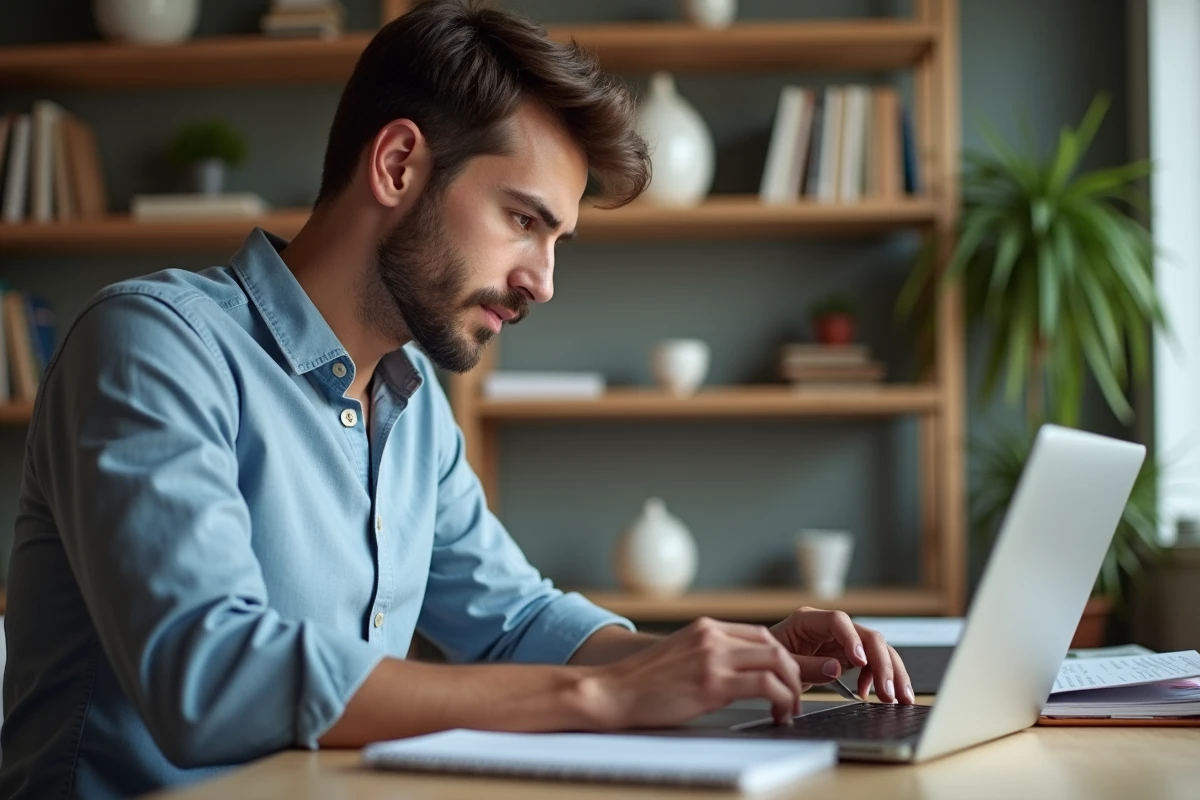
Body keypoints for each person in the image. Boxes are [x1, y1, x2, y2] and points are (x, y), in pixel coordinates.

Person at [0, 1, 912, 797]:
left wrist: (731, 659)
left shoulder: (413, 400)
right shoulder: (155, 346)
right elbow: (212, 679)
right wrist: (601, 698)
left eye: (559, 240)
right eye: (524, 220)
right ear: (398, 165)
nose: (545, 282)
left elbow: (514, 623)